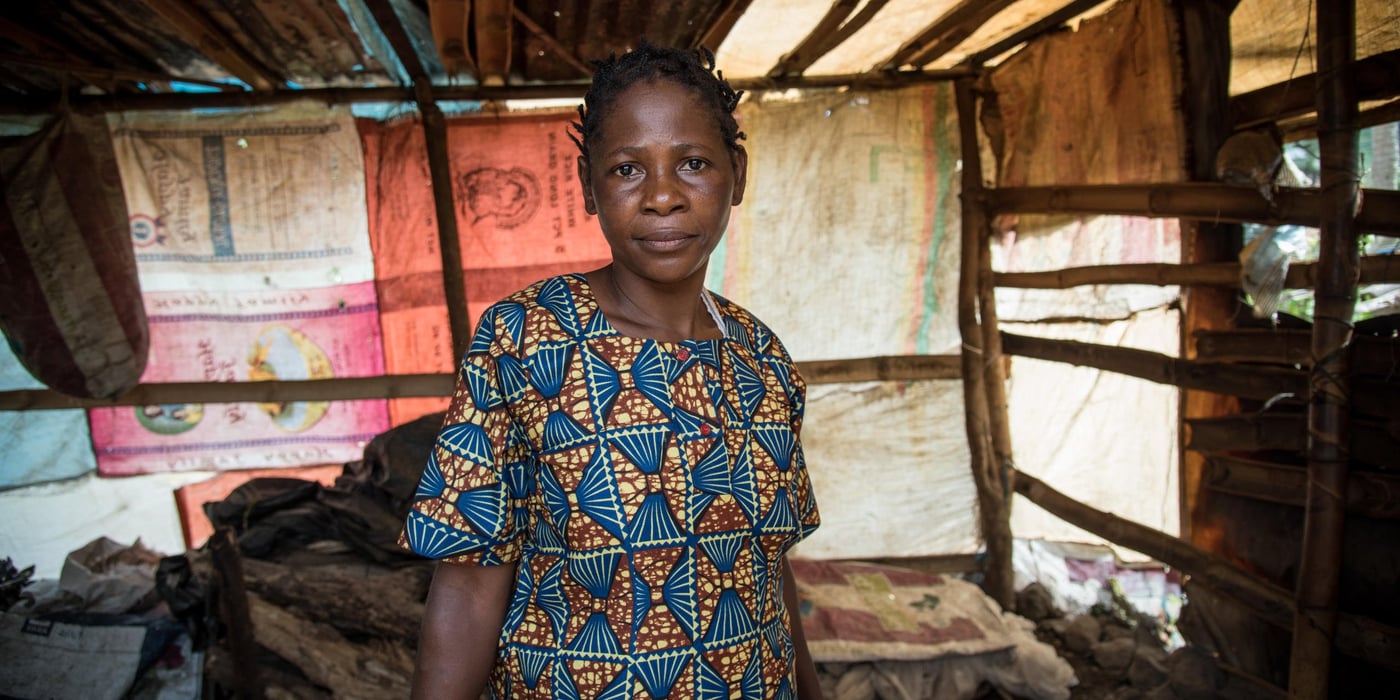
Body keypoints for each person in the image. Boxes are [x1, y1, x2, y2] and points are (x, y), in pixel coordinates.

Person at [401, 41, 822, 699]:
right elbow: (469, 584)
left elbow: (766, 571)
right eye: (628, 169)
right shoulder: (527, 340)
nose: (662, 197)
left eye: (692, 163)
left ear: (736, 174)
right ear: (588, 185)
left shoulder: (762, 360)